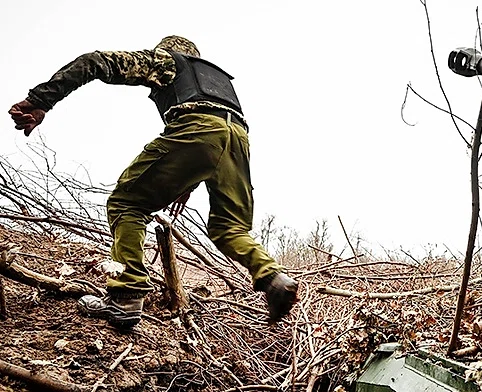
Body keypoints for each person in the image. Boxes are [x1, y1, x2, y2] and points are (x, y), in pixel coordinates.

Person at [8, 36, 298, 328]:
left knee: (127, 204)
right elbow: (217, 131)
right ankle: (272, 277)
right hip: (237, 138)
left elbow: (94, 62)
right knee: (230, 228)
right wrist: (186, 181)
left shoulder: (167, 61)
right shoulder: (218, 81)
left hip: (198, 130)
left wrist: (40, 100)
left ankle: (126, 296)